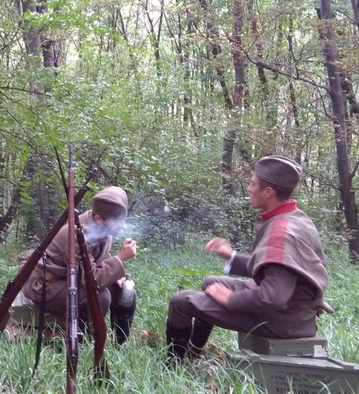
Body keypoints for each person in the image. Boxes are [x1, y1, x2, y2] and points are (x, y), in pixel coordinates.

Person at [164, 155, 329, 363]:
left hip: (282, 319)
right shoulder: (295, 217)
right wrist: (231, 256)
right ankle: (194, 351)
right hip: (296, 313)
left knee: (180, 301)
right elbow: (277, 265)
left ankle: (174, 365)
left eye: (252, 184)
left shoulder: (281, 231)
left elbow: (273, 296)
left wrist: (230, 299)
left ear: (268, 192)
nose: (249, 189)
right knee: (210, 283)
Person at [23, 186, 138, 345]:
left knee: (126, 289)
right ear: (99, 219)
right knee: (101, 296)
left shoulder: (102, 228)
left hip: (75, 277)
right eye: (118, 221)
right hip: (46, 285)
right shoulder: (76, 234)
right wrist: (120, 259)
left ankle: (120, 343)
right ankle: (83, 338)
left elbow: (98, 260)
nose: (123, 225)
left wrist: (116, 273)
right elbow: (91, 281)